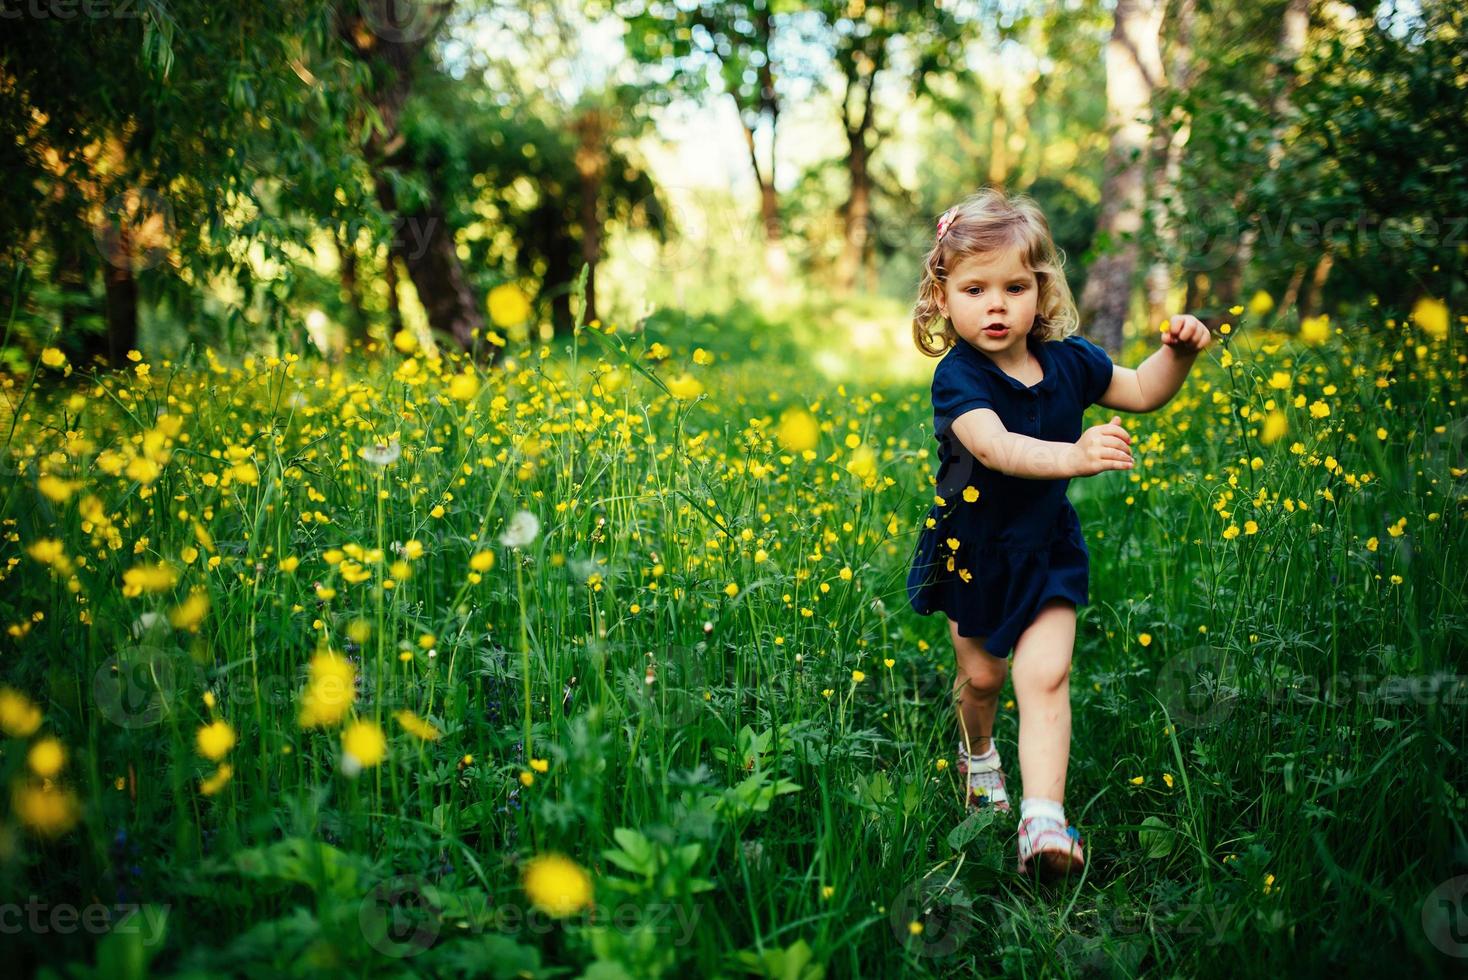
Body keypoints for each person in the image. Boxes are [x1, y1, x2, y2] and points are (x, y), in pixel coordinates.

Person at [905, 187, 1212, 879]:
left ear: (1040, 292)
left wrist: (1179, 355)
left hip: (1046, 552)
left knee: (1045, 677)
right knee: (981, 678)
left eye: (1015, 286)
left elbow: (1140, 389)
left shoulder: (1071, 360)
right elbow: (995, 446)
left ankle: (1042, 819)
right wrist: (1073, 456)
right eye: (975, 287)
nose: (995, 304)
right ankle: (979, 755)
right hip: (974, 552)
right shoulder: (959, 378)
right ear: (942, 296)